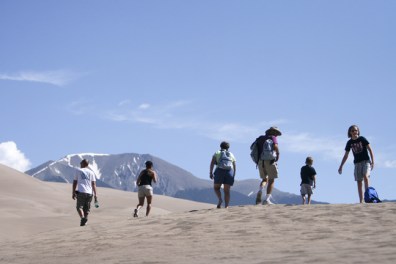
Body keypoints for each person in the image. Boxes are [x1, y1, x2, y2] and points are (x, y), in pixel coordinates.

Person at [338, 125, 375, 203]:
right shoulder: (349, 142)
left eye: (356, 130)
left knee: (365, 176)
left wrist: (373, 161)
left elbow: (370, 150)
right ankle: (361, 201)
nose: (355, 132)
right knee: (359, 181)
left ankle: (368, 197)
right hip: (357, 164)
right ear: (350, 132)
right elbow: (346, 155)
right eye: (353, 131)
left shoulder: (362, 139)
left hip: (366, 161)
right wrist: (341, 166)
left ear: (358, 131)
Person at [254, 126, 281, 205]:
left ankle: (260, 189)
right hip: (270, 161)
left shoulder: (260, 138)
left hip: (260, 161)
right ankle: (267, 199)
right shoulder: (273, 138)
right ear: (274, 132)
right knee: (271, 180)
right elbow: (275, 146)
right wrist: (278, 154)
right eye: (276, 133)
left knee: (264, 179)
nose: (276, 135)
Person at [209, 141, 236, 208]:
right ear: (228, 147)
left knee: (216, 188)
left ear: (220, 146)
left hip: (219, 171)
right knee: (227, 191)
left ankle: (220, 199)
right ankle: (226, 206)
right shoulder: (231, 154)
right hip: (229, 172)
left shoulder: (217, 153)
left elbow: (212, 163)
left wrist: (211, 172)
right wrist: (233, 175)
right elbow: (234, 166)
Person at [72, 159, 98, 226]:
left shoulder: (78, 170)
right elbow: (94, 184)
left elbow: (75, 182)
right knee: (87, 209)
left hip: (81, 192)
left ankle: (83, 218)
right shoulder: (91, 172)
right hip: (90, 193)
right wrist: (95, 195)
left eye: (81, 163)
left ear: (83, 164)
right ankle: (85, 223)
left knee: (79, 207)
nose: (80, 164)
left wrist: (73, 192)